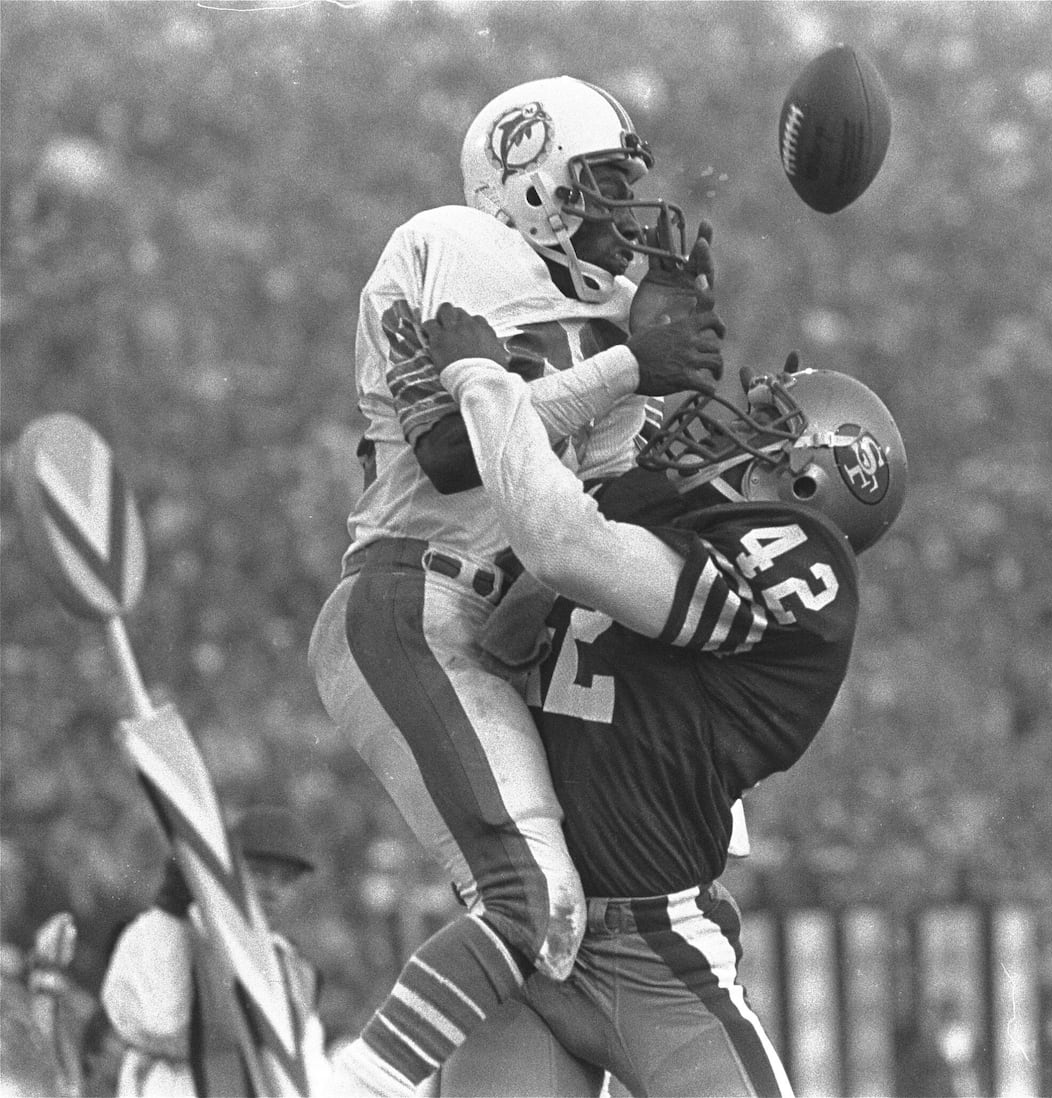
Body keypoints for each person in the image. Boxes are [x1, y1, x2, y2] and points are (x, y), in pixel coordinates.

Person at [307, 75, 724, 1092]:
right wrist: (627, 364)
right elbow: (455, 447)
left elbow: (597, 513)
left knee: (576, 920)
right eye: (603, 182)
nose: (625, 210)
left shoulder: (599, 304)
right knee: (531, 900)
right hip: (417, 598)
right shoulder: (452, 241)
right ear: (528, 181)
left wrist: (695, 411)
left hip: (505, 630)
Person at [394, 302, 907, 1097]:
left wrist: (483, 379)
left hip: (658, 956)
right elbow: (506, 630)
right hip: (530, 929)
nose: (734, 425)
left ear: (811, 479)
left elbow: (563, 544)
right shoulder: (669, 506)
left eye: (769, 425)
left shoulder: (811, 565)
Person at [99, 805, 325, 1097]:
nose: (273, 890)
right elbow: (157, 1025)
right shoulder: (168, 933)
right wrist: (170, 910)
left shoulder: (296, 972)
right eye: (259, 873)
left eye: (287, 880)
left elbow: (311, 1074)